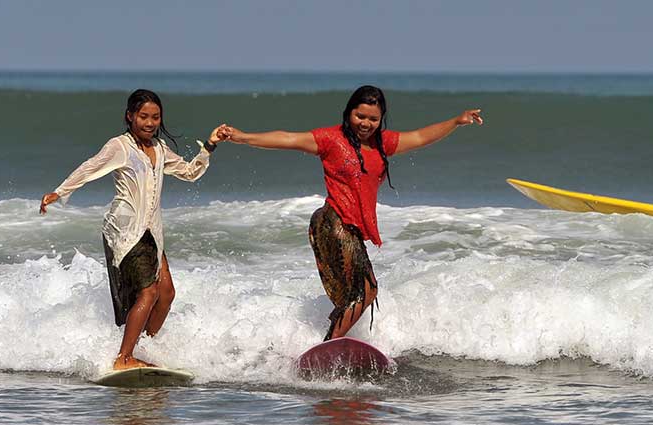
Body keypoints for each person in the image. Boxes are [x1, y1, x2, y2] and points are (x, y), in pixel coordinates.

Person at [219, 85, 482, 341]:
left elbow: (420, 137)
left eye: (373, 119)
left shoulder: (382, 143)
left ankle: (329, 344)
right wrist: (242, 137)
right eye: (360, 116)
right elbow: (288, 138)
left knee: (356, 293)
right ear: (348, 113)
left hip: (349, 229)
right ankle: (329, 344)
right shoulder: (331, 139)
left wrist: (456, 122)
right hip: (333, 221)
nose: (365, 123)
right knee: (367, 290)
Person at [40, 89, 225, 370]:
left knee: (167, 294)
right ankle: (123, 358)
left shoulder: (160, 150)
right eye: (143, 117)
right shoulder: (120, 146)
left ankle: (139, 349)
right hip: (125, 230)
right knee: (148, 293)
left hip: (152, 232)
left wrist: (209, 147)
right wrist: (59, 192)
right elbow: (90, 167)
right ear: (130, 116)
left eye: (155, 117)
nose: (149, 123)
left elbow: (190, 172)